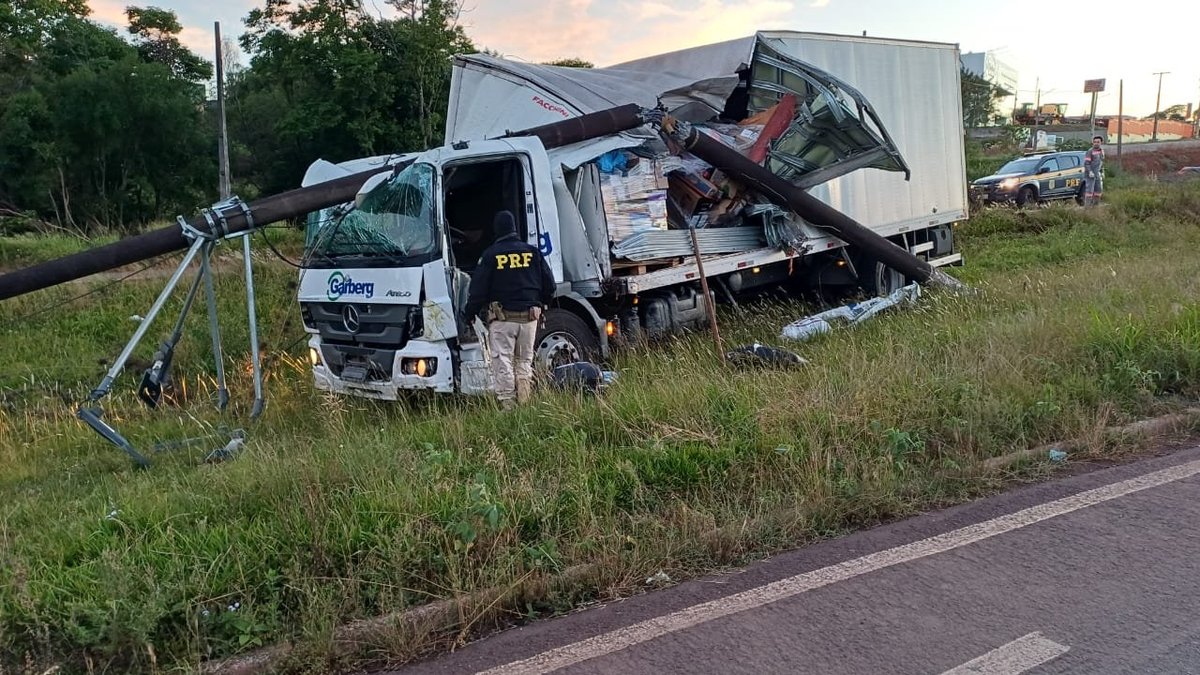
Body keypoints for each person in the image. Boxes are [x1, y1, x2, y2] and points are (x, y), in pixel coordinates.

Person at [463, 210, 555, 408]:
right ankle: (525, 404)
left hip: (503, 321)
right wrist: (541, 303)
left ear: (497, 230)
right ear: (514, 228)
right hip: (530, 319)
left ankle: (509, 407)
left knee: (503, 362)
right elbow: (550, 286)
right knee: (524, 362)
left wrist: (468, 314)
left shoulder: (491, 255)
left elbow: (477, 291)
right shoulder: (532, 252)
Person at [1083, 135, 1105, 207]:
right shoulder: (1090, 151)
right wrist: (1090, 171)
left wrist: (1102, 172)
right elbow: (1086, 163)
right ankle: (1087, 208)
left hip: (1097, 173)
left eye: (1098, 142)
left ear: (1101, 142)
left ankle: (1095, 206)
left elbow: (1101, 162)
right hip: (1090, 174)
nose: (1096, 143)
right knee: (1089, 191)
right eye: (1094, 142)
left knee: (1098, 191)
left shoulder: (1101, 151)